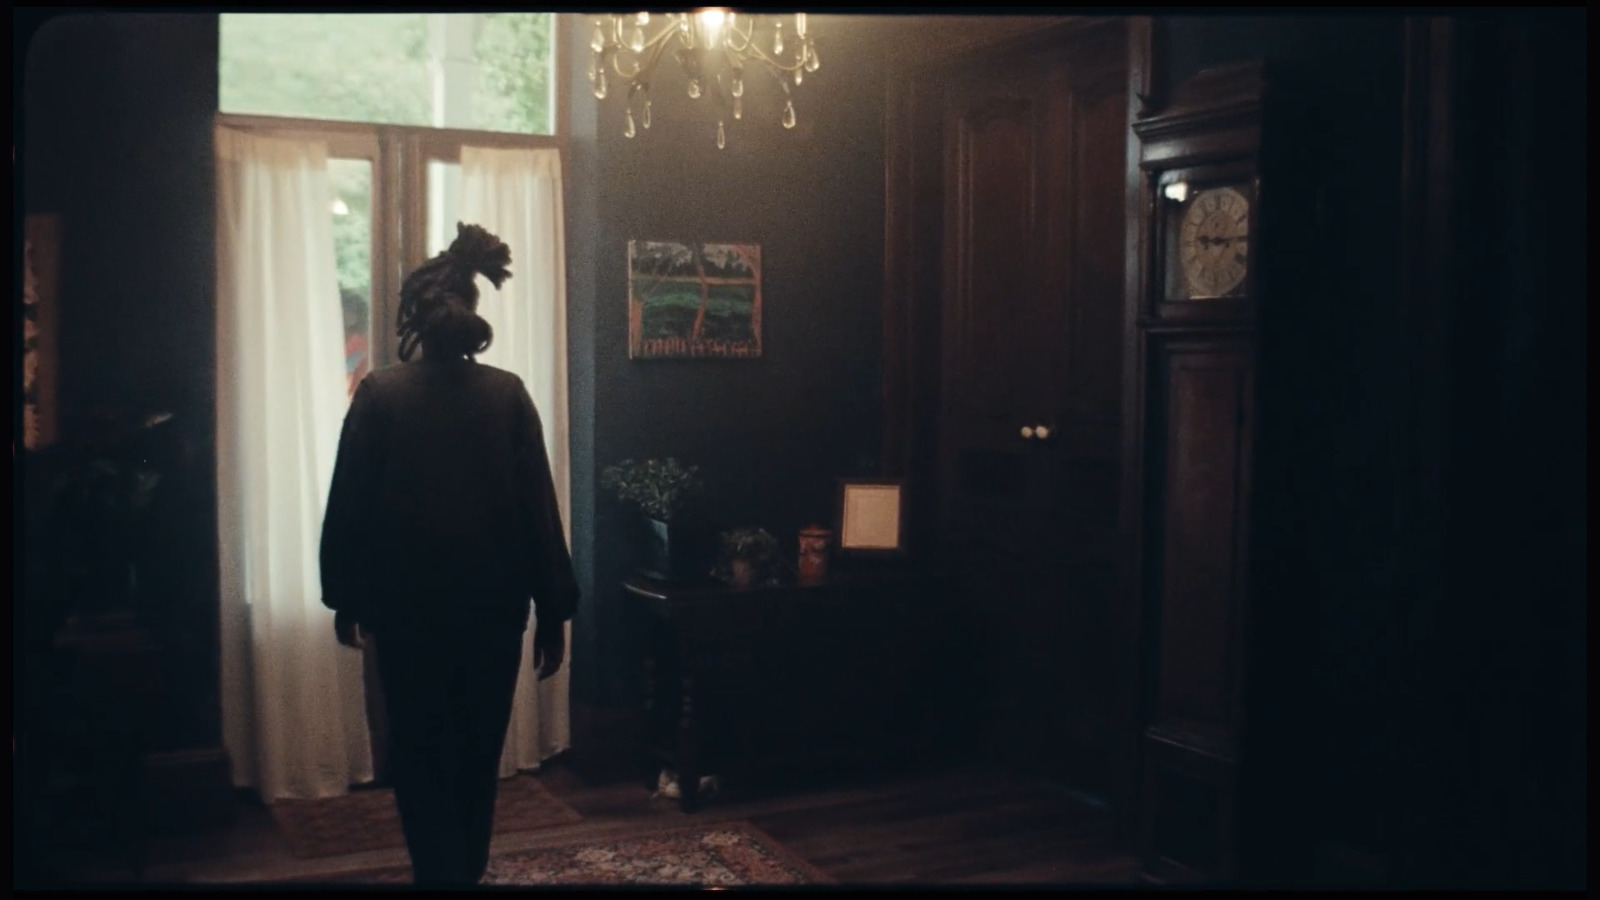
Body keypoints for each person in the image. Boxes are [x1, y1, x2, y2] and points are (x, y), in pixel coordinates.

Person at [319, 222, 579, 886]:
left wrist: (344, 597)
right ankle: (464, 872)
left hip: (404, 620)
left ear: (416, 315)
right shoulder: (508, 395)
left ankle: (438, 876)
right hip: (494, 618)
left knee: (418, 759)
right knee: (474, 760)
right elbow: (538, 515)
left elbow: (349, 506)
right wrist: (554, 612)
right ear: (473, 308)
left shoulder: (380, 394)